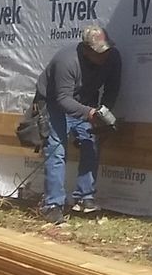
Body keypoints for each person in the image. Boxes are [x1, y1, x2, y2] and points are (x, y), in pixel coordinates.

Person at [34, 24, 122, 223]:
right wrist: (89, 113)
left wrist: (103, 114)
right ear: (85, 50)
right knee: (56, 150)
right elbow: (63, 99)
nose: (104, 56)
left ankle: (84, 198)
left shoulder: (113, 58)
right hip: (54, 102)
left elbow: (112, 88)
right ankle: (53, 205)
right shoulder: (66, 60)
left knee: (91, 142)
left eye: (106, 51)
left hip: (85, 101)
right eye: (99, 53)